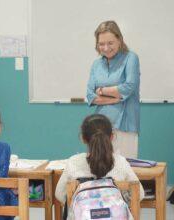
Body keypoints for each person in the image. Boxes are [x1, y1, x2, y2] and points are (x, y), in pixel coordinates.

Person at [55, 114, 144, 204]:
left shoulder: (73, 162)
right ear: (112, 137)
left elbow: (60, 194)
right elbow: (139, 194)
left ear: (83, 138)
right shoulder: (121, 162)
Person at [86, 20, 140, 159]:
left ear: (119, 40)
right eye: (101, 44)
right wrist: (115, 97)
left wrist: (102, 90)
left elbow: (128, 87)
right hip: (100, 126)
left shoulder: (131, 58)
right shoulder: (96, 64)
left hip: (125, 125)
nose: (106, 48)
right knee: (99, 173)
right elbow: (90, 96)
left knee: (124, 172)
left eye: (110, 43)